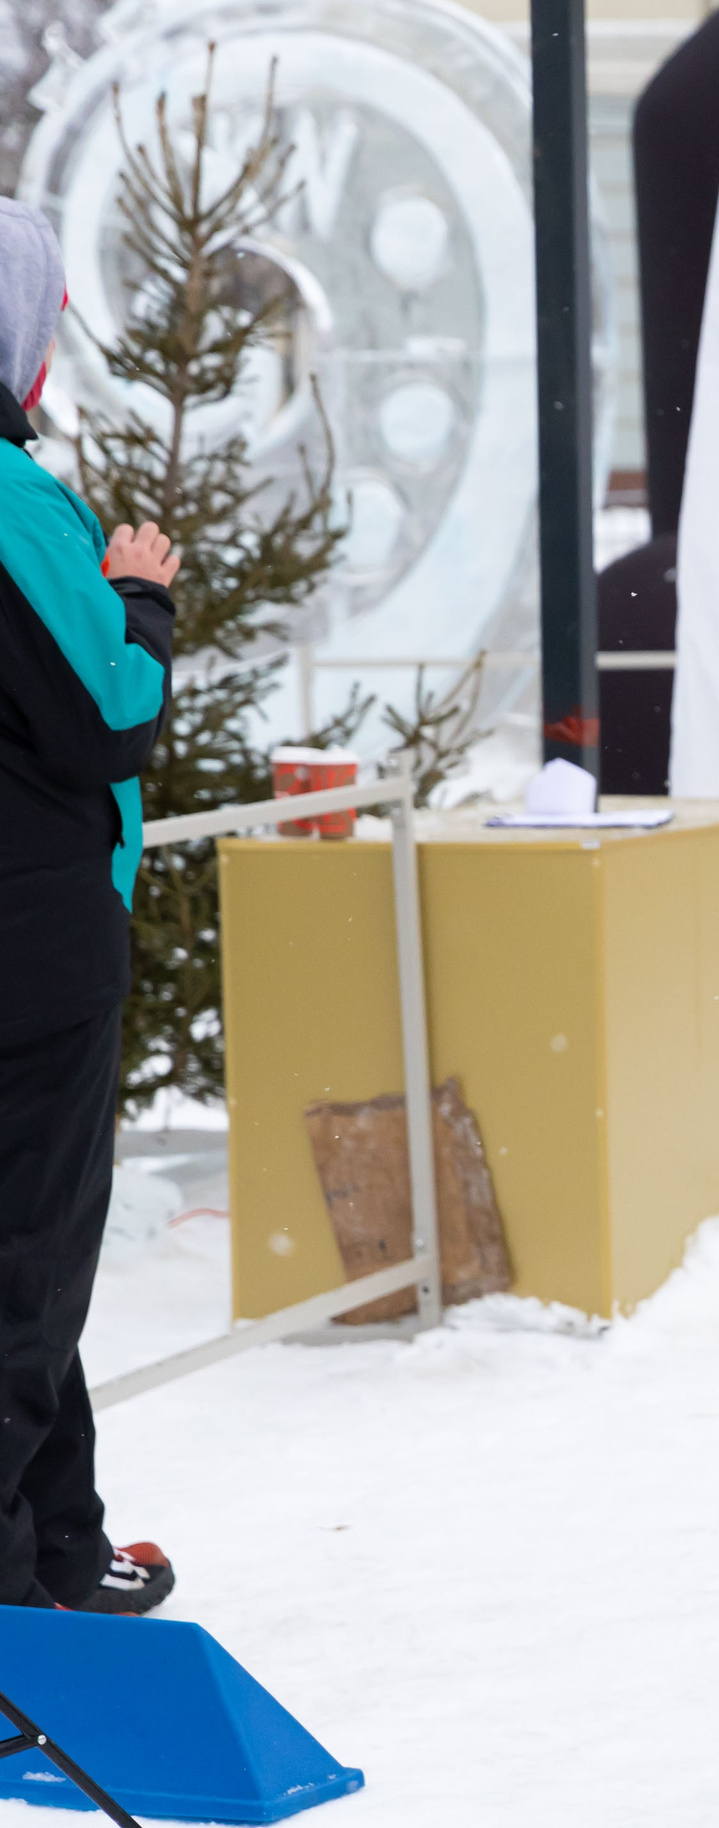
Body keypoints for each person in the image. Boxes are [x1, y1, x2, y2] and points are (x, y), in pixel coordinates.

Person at [0, 198, 181, 1613]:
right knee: (29, 1265)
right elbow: (105, 712)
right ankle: (18, 1595)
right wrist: (140, 597)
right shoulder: (9, 499)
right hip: (34, 945)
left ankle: (60, 1544)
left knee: (28, 1260)